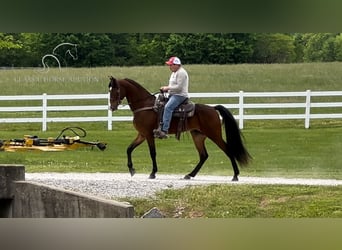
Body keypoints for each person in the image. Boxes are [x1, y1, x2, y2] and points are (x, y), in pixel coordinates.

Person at [154, 56, 189, 139]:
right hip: (173, 94)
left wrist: (167, 88)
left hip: (180, 95)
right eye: (169, 65)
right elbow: (173, 86)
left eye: (171, 65)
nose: (169, 67)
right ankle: (160, 126)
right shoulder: (174, 72)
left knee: (168, 107)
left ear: (176, 65)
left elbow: (179, 87)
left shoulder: (181, 73)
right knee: (160, 105)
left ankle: (164, 130)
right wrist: (167, 89)